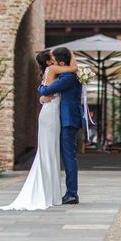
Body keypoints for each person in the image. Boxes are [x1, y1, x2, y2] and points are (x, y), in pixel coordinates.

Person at [0, 49, 77, 210]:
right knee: (47, 152)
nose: (53, 58)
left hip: (51, 113)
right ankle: (47, 192)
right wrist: (71, 53)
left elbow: (44, 89)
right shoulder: (53, 69)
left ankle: (51, 193)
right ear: (48, 61)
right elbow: (73, 69)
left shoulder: (51, 71)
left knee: (50, 152)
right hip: (50, 116)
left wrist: (41, 95)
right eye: (52, 57)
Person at [38, 47, 83, 205]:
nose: (51, 64)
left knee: (68, 156)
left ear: (62, 62)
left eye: (54, 61)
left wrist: (42, 95)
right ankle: (66, 192)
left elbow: (46, 89)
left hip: (68, 120)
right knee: (64, 155)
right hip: (63, 118)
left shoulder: (68, 77)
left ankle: (72, 194)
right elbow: (45, 88)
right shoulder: (64, 75)